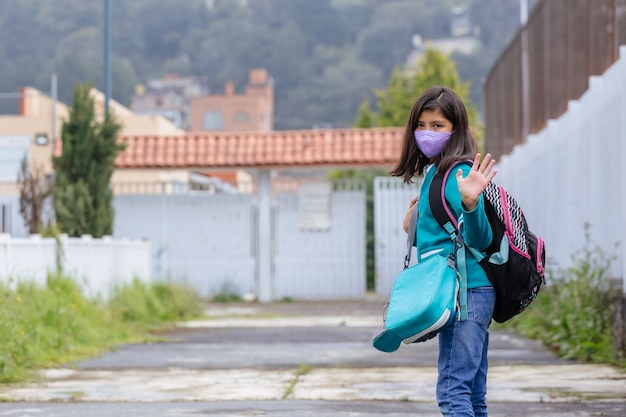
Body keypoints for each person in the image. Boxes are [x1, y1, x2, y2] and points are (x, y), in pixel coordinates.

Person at [390, 86, 497, 417]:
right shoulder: (434, 173)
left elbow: (480, 239)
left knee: (453, 393)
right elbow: (443, 239)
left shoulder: (460, 173)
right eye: (421, 125)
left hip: (466, 295)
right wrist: (413, 226)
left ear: (455, 129)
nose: (426, 133)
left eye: (437, 125)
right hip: (462, 293)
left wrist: (471, 204)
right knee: (471, 394)